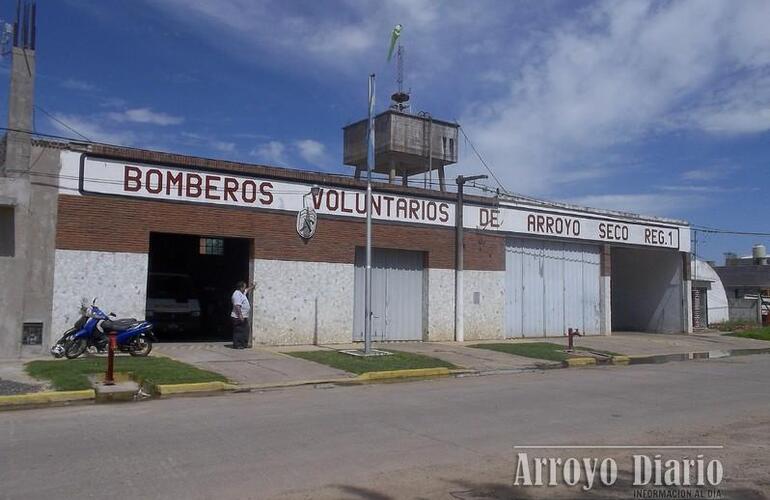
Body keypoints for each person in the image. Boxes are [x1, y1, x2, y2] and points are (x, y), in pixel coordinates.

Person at [231, 281, 253, 349]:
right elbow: (237, 306)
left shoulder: (242, 293)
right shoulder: (236, 294)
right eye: (244, 287)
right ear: (241, 287)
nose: (245, 288)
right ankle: (237, 345)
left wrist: (252, 287)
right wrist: (240, 316)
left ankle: (243, 344)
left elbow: (247, 290)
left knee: (245, 330)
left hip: (244, 316)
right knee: (239, 331)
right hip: (238, 317)